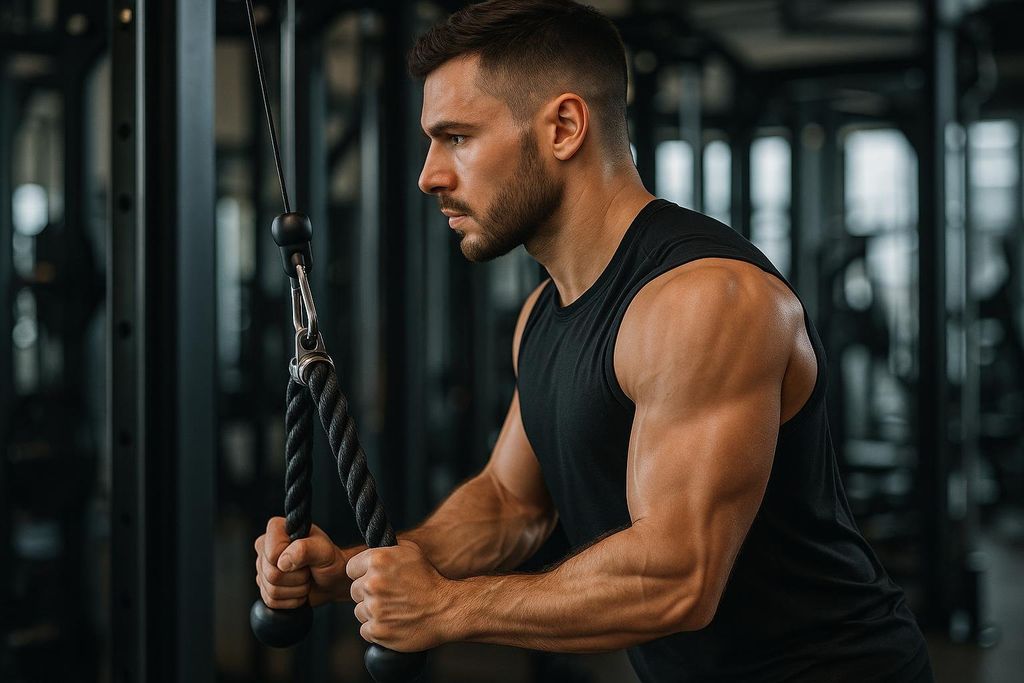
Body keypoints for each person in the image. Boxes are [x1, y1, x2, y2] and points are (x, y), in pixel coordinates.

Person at [255, 1, 933, 680]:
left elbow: (677, 576)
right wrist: (354, 569)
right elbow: (510, 504)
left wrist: (446, 607)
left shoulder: (704, 301)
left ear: (565, 127)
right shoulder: (543, 311)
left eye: (456, 137)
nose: (429, 174)